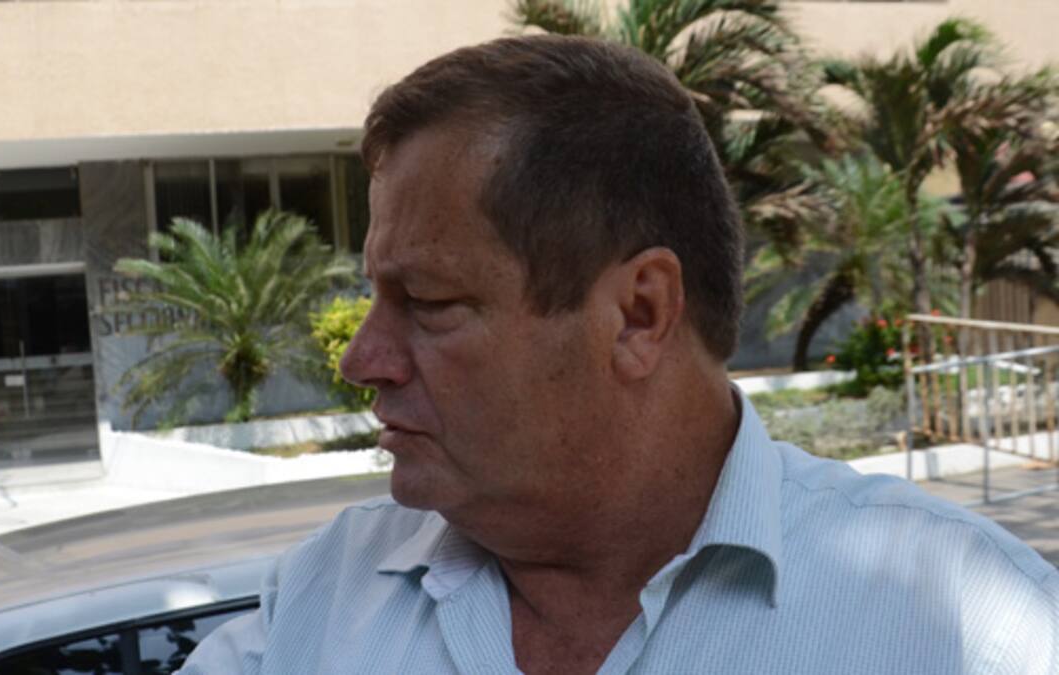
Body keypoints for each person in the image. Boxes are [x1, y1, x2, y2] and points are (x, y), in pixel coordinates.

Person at [180, 35, 1058, 674]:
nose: (363, 357)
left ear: (639, 315)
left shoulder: (972, 629)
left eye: (431, 303)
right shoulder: (321, 599)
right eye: (377, 296)